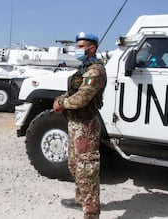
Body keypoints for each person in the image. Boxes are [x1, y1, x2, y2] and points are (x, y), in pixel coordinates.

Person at [53, 32, 107, 219]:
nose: (77, 50)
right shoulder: (84, 69)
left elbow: (82, 98)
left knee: (87, 170)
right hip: (75, 124)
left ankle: (91, 213)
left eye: (81, 46)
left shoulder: (95, 71)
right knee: (75, 165)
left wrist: (62, 104)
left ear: (92, 48)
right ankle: (81, 199)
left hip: (86, 126)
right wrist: (61, 98)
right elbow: (73, 91)